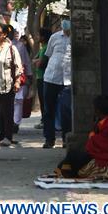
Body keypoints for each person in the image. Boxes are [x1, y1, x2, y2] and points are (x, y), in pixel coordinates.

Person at [53, 95, 108, 181]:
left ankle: (63, 171)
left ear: (98, 111)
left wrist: (93, 135)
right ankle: (61, 171)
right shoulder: (107, 122)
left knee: (75, 158)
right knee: (73, 155)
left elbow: (99, 144)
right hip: (105, 154)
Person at [42, 18, 72, 148]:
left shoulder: (75, 39)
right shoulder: (54, 38)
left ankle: (66, 138)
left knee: (66, 110)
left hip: (68, 80)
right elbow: (48, 55)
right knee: (49, 110)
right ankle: (49, 139)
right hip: (51, 77)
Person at [10, 27, 32, 135]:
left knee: (17, 101)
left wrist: (28, 75)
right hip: (7, 77)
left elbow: (26, 62)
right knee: (15, 102)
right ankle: (12, 123)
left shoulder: (20, 46)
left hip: (18, 76)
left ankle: (15, 123)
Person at [33, 28, 51, 129]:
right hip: (40, 76)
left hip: (44, 77)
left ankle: (45, 121)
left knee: (44, 101)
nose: (37, 37)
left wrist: (36, 61)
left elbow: (40, 63)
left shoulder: (46, 48)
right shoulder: (42, 47)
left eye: (38, 35)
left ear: (43, 37)